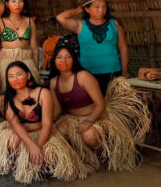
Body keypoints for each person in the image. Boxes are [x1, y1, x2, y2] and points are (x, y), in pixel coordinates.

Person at [48, 36, 151, 171]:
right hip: (73, 119)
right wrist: (46, 122)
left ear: (74, 59)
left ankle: (105, 154)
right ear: (54, 60)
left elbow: (100, 104)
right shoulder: (54, 82)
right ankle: (84, 158)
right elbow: (56, 111)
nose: (63, 61)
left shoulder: (83, 76)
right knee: (56, 134)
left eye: (68, 57)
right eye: (59, 57)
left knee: (88, 135)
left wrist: (89, 121)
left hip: (97, 116)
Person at [0, 61, 87, 183]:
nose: (15, 79)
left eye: (19, 74)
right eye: (10, 76)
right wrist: (31, 146)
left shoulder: (43, 93)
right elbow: (15, 125)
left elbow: (47, 124)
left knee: (51, 157)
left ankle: (32, 165)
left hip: (42, 132)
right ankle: (19, 163)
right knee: (13, 141)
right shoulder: (5, 98)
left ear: (28, 75)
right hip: (21, 134)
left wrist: (38, 146)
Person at [56, 0, 129, 95]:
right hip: (88, 73)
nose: (101, 10)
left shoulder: (114, 24)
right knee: (94, 104)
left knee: (113, 104)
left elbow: (123, 48)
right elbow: (60, 18)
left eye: (104, 7)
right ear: (87, 9)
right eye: (97, 7)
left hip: (113, 71)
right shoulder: (80, 25)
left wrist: (124, 71)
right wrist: (77, 10)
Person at [0, 0, 40, 90]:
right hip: (5, 62)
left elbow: (35, 48)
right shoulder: (0, 22)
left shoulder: (30, 21)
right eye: (13, 1)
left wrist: (36, 70)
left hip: (26, 61)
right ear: (7, 3)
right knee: (8, 93)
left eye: (20, 1)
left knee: (28, 92)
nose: (17, 4)